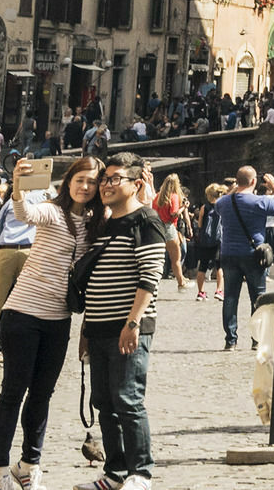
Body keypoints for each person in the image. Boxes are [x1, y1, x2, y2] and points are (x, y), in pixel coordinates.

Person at [0, 155, 102, 490]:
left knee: (42, 395)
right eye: (80, 179)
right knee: (13, 392)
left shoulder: (97, 222)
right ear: (68, 181)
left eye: (92, 181)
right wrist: (18, 187)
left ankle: (28, 465)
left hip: (59, 320)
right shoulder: (52, 211)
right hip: (23, 314)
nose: (85, 187)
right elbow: (26, 213)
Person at [77, 154, 169, 490]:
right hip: (99, 328)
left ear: (137, 184)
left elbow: (150, 278)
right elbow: (96, 280)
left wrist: (133, 323)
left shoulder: (146, 221)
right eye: (105, 179)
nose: (106, 185)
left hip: (127, 328)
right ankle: (115, 473)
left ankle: (141, 472)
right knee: (104, 402)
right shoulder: (103, 225)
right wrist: (86, 330)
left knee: (128, 399)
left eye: (115, 179)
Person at [215, 165, 274, 351]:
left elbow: (219, 204)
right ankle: (257, 339)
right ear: (254, 181)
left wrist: (235, 187)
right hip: (253, 255)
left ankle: (230, 341)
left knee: (230, 298)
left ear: (237, 181)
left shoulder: (224, 203)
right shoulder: (260, 202)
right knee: (257, 298)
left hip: (229, 254)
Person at [0, 182, 39, 365]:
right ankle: (25, 353)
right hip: (31, 252)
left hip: (5, 251)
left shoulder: (11, 202)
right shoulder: (45, 200)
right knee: (30, 305)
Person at [150, 174, 188, 292]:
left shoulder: (157, 196)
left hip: (156, 227)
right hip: (169, 228)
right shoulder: (174, 196)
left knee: (157, 258)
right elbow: (174, 213)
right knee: (176, 258)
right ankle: (181, 283)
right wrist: (184, 207)